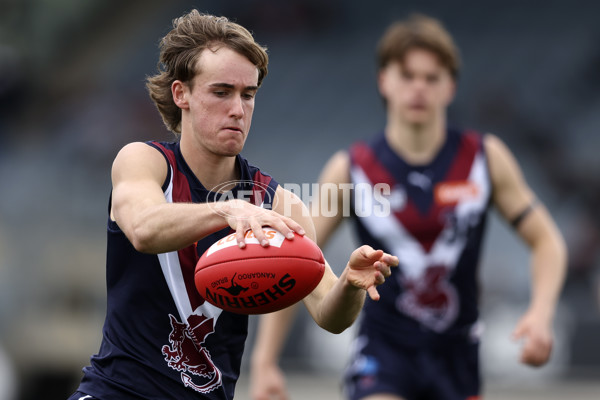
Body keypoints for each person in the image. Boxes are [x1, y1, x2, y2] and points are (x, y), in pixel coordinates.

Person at [67, 10, 398, 400]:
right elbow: (143, 228)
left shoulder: (277, 203)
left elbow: (330, 314)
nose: (238, 109)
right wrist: (225, 209)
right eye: (221, 92)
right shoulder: (145, 162)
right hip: (116, 392)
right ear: (181, 94)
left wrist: (350, 284)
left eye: (248, 94)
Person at [250, 13, 567, 400]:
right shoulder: (351, 169)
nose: (419, 88)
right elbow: (299, 259)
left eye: (431, 78)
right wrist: (265, 362)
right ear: (384, 80)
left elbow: (547, 240)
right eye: (407, 75)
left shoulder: (485, 159)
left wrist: (541, 312)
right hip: (384, 355)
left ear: (449, 87)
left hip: (458, 358)